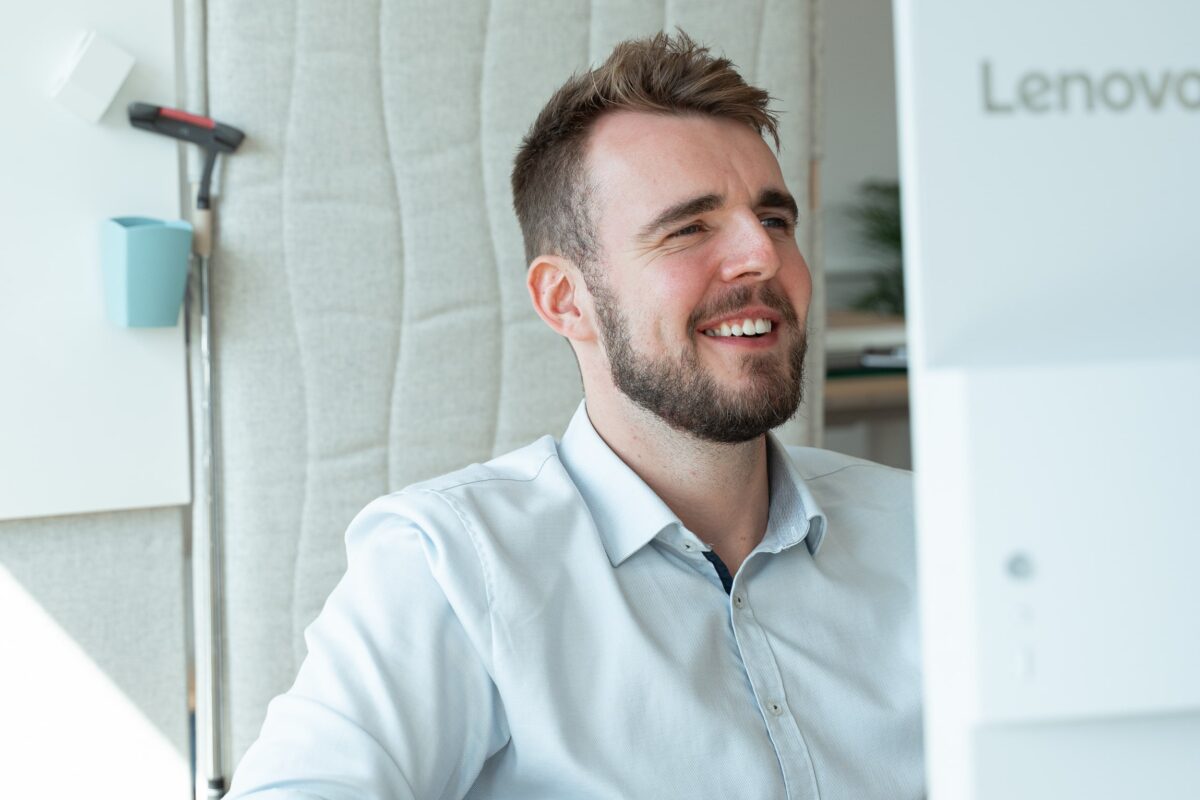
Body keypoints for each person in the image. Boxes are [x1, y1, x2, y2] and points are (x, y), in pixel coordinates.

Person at [228, 31, 923, 800]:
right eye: (689, 228)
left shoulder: (928, 533)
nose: (762, 256)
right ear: (566, 300)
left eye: (776, 219)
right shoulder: (450, 567)